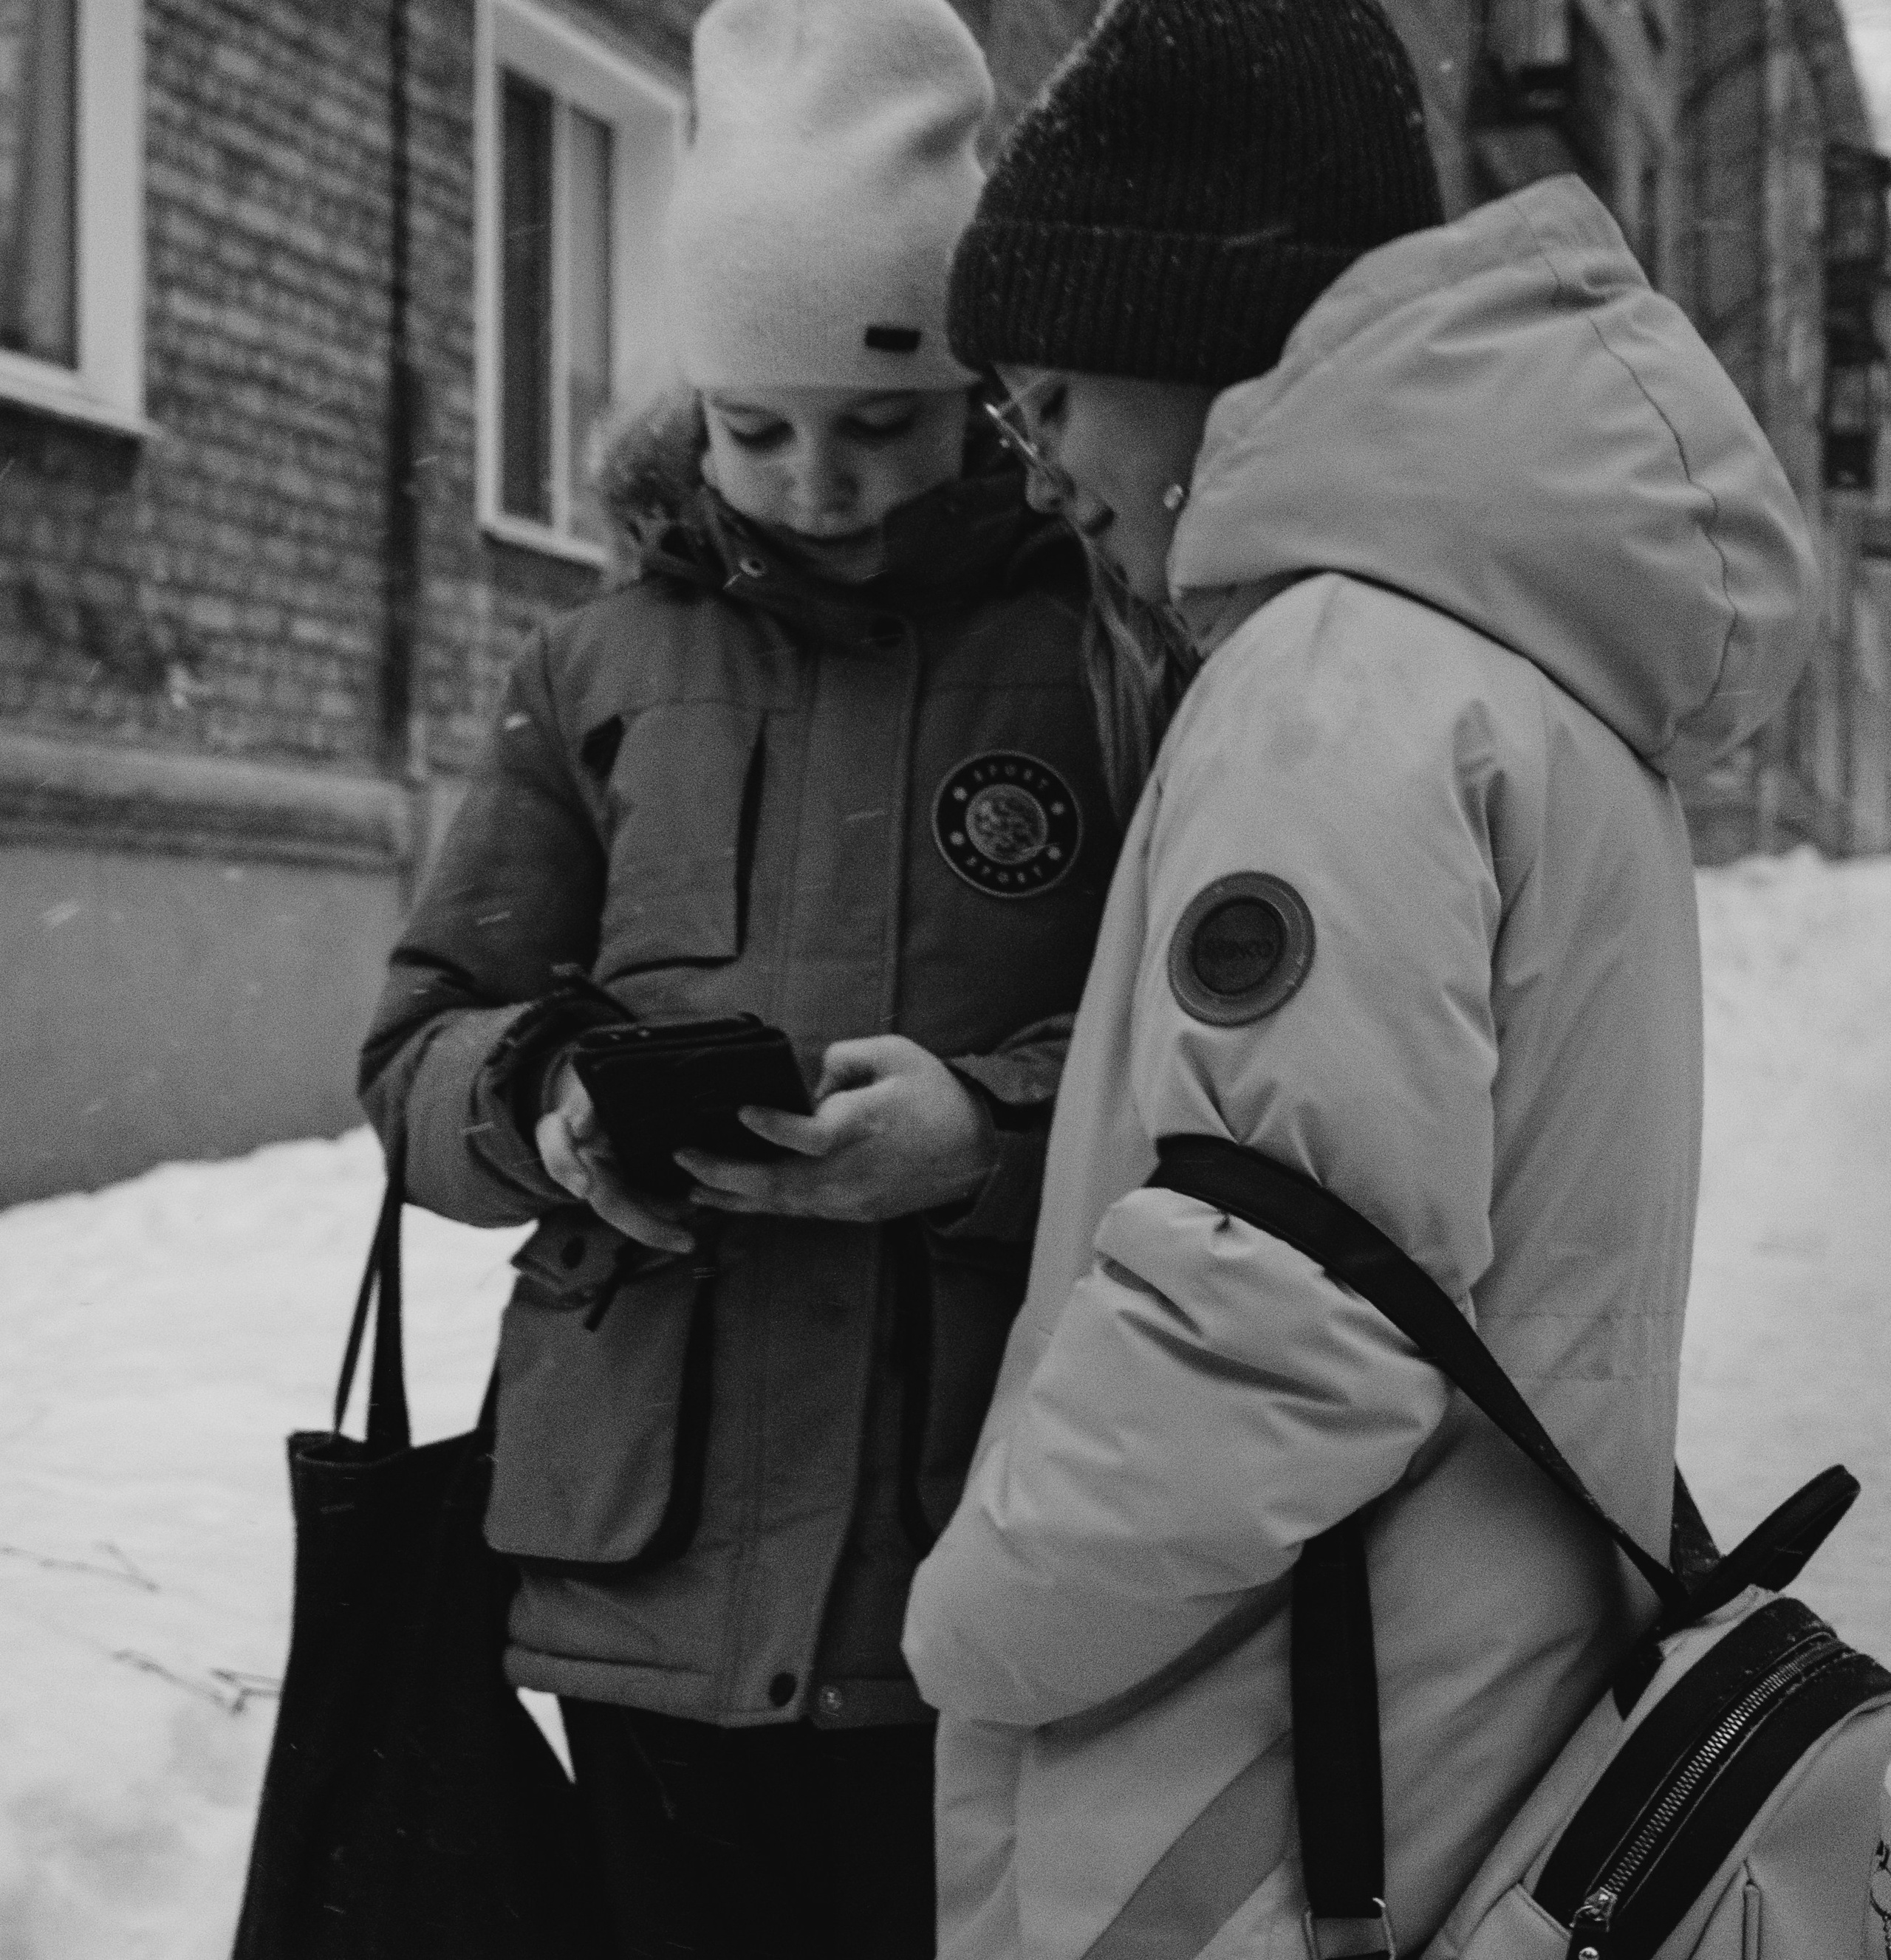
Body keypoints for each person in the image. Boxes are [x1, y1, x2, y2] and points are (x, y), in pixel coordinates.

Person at [900, 3, 1819, 1957]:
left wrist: (978, 1624)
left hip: (1284, 1795)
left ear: (1179, 337)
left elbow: (1278, 1312)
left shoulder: (1337, 687)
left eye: (1049, 398)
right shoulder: (1524, 674)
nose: (1042, 471)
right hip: (1453, 1713)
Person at [358, 2, 1120, 1952]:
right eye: (757, 428)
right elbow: (416, 1053)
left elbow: (1211, 1075)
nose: (820, 481)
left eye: (882, 422)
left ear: (989, 398)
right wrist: (546, 1107)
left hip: (975, 1577)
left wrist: (987, 1131)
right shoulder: (595, 672)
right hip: (650, 1598)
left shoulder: (1110, 664)